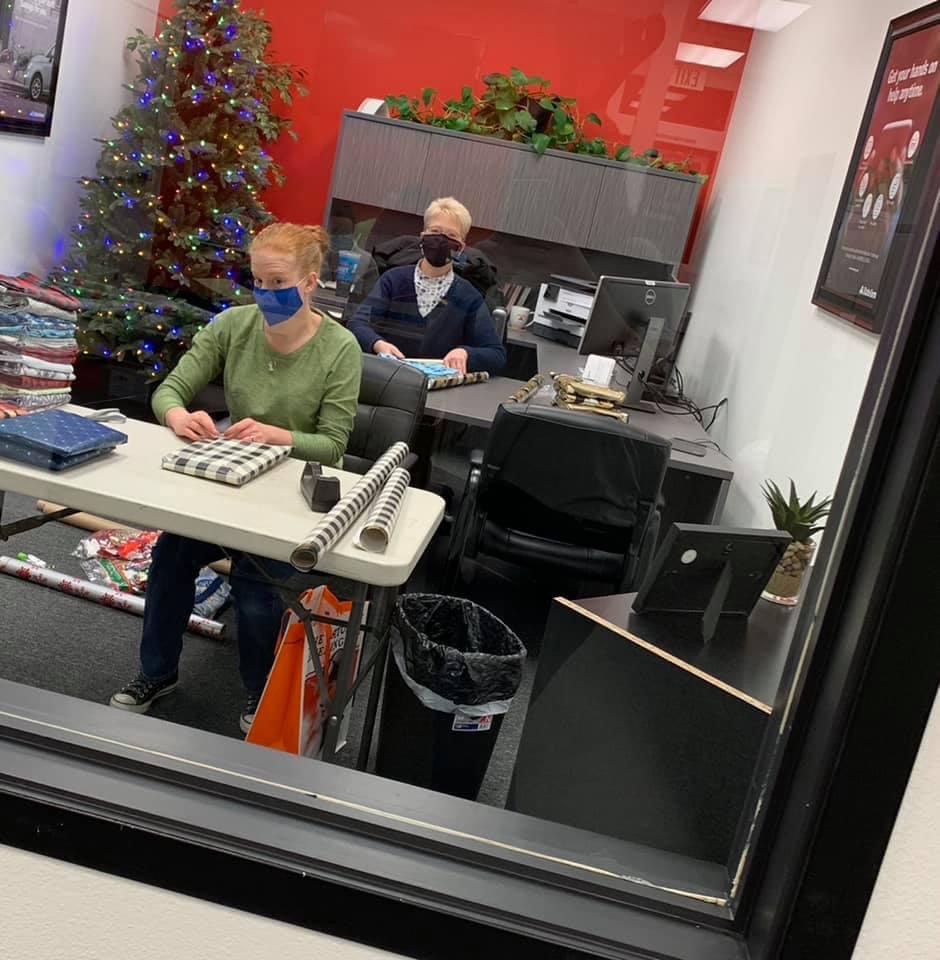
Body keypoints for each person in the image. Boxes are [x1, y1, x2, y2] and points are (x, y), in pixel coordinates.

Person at [110, 222, 362, 733]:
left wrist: (278, 435)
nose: (266, 293)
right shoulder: (233, 326)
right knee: (169, 560)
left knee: (257, 588)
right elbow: (170, 389)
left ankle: (256, 692)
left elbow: (334, 446)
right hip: (226, 481)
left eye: (278, 282)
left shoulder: (340, 349)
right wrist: (177, 416)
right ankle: (156, 674)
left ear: (310, 282)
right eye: (258, 281)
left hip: (285, 493)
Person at [348, 197, 506, 375]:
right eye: (435, 231)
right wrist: (378, 344)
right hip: (388, 379)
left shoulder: (467, 296)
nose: (441, 240)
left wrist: (466, 353)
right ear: (422, 237)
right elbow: (357, 323)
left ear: (461, 247)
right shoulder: (393, 280)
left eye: (451, 236)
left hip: (439, 391)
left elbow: (496, 354)